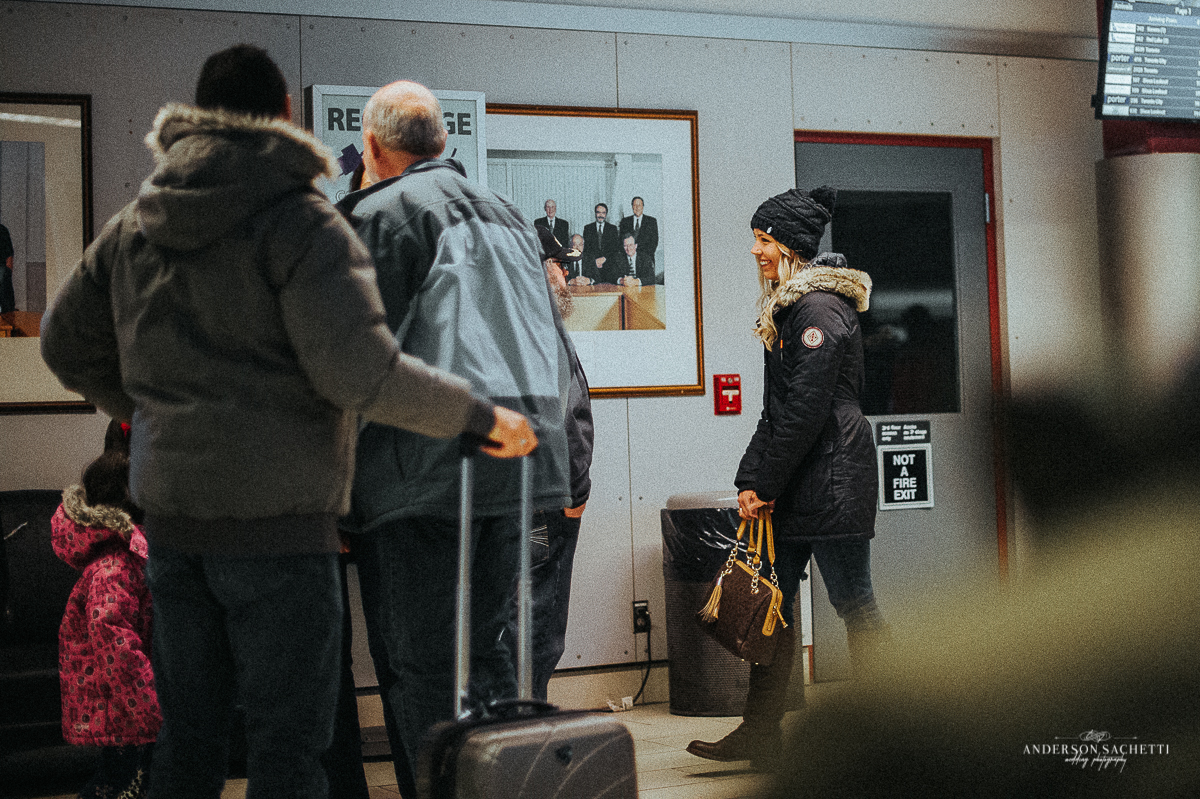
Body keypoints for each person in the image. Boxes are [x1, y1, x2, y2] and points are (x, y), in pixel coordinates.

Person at [40, 46, 534, 799]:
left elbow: (61, 341)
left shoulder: (136, 223)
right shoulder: (303, 224)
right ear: (285, 115)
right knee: (288, 748)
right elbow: (361, 373)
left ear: (195, 116)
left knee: (191, 742)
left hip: (172, 526)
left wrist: (144, 409)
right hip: (280, 531)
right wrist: (477, 414)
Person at [336, 80, 572, 799]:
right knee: (491, 653)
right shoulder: (508, 216)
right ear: (442, 142)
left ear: (373, 146)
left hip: (421, 478)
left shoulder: (378, 214)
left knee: (424, 668)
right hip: (517, 472)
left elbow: (356, 361)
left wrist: (336, 491)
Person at [687, 186, 888, 768]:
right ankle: (760, 732)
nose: (756, 251)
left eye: (764, 240)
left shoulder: (819, 311)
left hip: (831, 479)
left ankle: (892, 729)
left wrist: (765, 485)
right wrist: (751, 479)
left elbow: (804, 412)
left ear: (793, 246)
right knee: (768, 603)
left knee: (854, 601)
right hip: (805, 480)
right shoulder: (790, 308)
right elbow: (777, 411)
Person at [502, 225, 594, 702]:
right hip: (545, 502)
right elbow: (562, 419)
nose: (564, 276)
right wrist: (576, 494)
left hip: (518, 498)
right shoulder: (539, 326)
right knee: (539, 627)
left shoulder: (500, 322)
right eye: (558, 266)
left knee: (514, 623)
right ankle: (525, 730)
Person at [53, 420, 158, 799]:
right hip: (126, 710)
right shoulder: (115, 569)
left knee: (129, 780)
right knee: (118, 785)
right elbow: (115, 646)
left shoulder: (127, 560)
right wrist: (149, 704)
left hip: (127, 708)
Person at [581, 202, 622, 284]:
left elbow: (615, 249)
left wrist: (604, 259)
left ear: (606, 214)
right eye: (598, 212)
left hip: (608, 266)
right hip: (593, 267)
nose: (601, 215)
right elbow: (586, 249)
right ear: (595, 213)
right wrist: (594, 261)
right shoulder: (588, 228)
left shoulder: (612, 229)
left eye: (603, 213)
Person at [618, 196, 658, 267]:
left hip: (646, 260)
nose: (637, 207)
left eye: (639, 205)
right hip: (628, 260)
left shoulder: (651, 221)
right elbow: (621, 241)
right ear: (632, 207)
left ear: (643, 206)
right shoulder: (625, 221)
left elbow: (654, 242)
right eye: (634, 205)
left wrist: (640, 257)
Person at [0, 221, 15, 313]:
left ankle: (8, 312)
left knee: (2, 277)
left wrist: (9, 269)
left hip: (1, 266)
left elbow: (9, 253)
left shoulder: (2, 230)